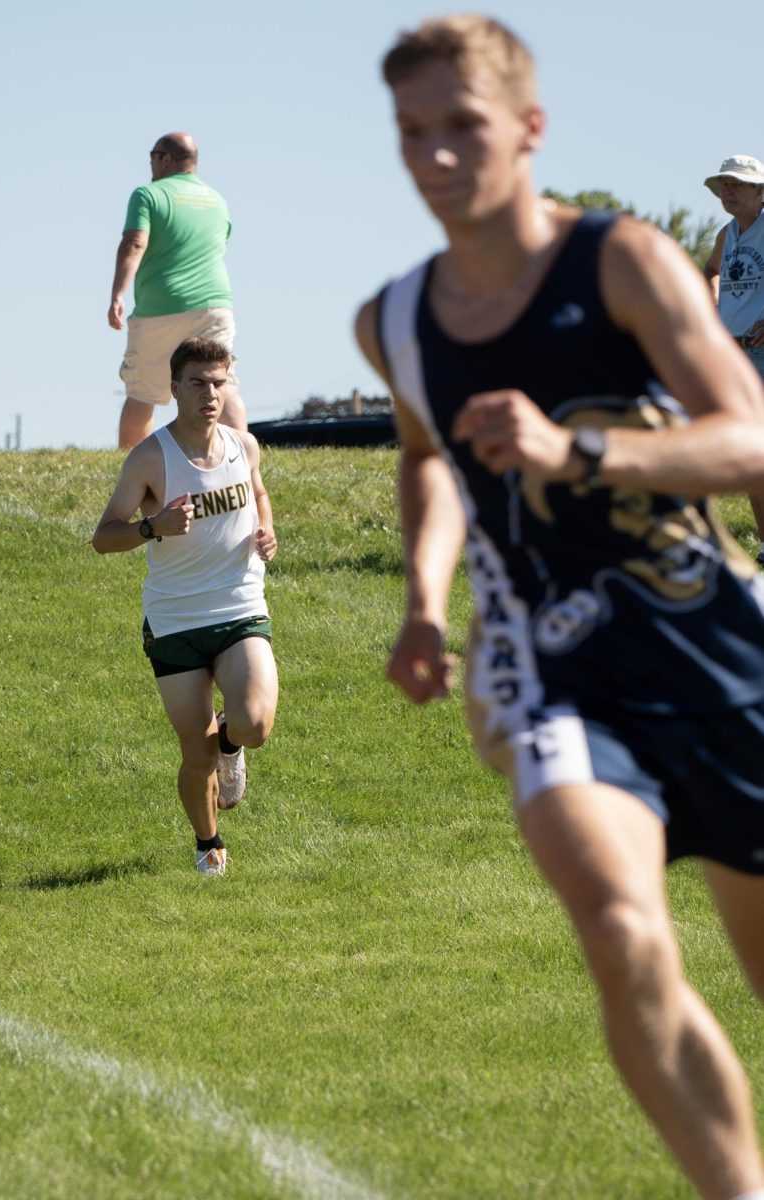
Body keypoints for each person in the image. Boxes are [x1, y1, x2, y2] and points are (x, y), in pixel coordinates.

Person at [355, 15, 764, 1200]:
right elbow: (428, 456)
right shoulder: (392, 321)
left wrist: (577, 450)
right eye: (410, 133)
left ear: (529, 129)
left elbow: (750, 439)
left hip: (716, 648)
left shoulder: (622, 261)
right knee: (623, 931)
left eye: (461, 127)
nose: (435, 156)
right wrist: (425, 603)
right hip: (552, 669)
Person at [93, 337, 277, 875]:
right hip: (175, 619)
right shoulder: (151, 457)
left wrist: (266, 530)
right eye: (197, 382)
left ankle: (232, 739)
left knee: (256, 723)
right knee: (195, 754)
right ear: (175, 389)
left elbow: (259, 494)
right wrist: (153, 526)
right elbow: (104, 537)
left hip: (239, 605)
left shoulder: (245, 446)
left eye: (219, 382)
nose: (209, 393)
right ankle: (208, 844)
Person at [108, 132, 248, 449]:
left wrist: (118, 292)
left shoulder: (148, 195)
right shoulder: (217, 200)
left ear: (165, 158)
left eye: (152, 157)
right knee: (224, 385)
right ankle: (241, 465)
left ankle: (134, 468)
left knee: (143, 392)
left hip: (161, 306)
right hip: (214, 304)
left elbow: (135, 242)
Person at [703, 155, 764, 555]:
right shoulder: (727, 233)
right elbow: (711, 269)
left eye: (738, 184)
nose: (728, 190)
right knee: (751, 454)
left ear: (760, 191)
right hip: (734, 354)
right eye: (725, 184)